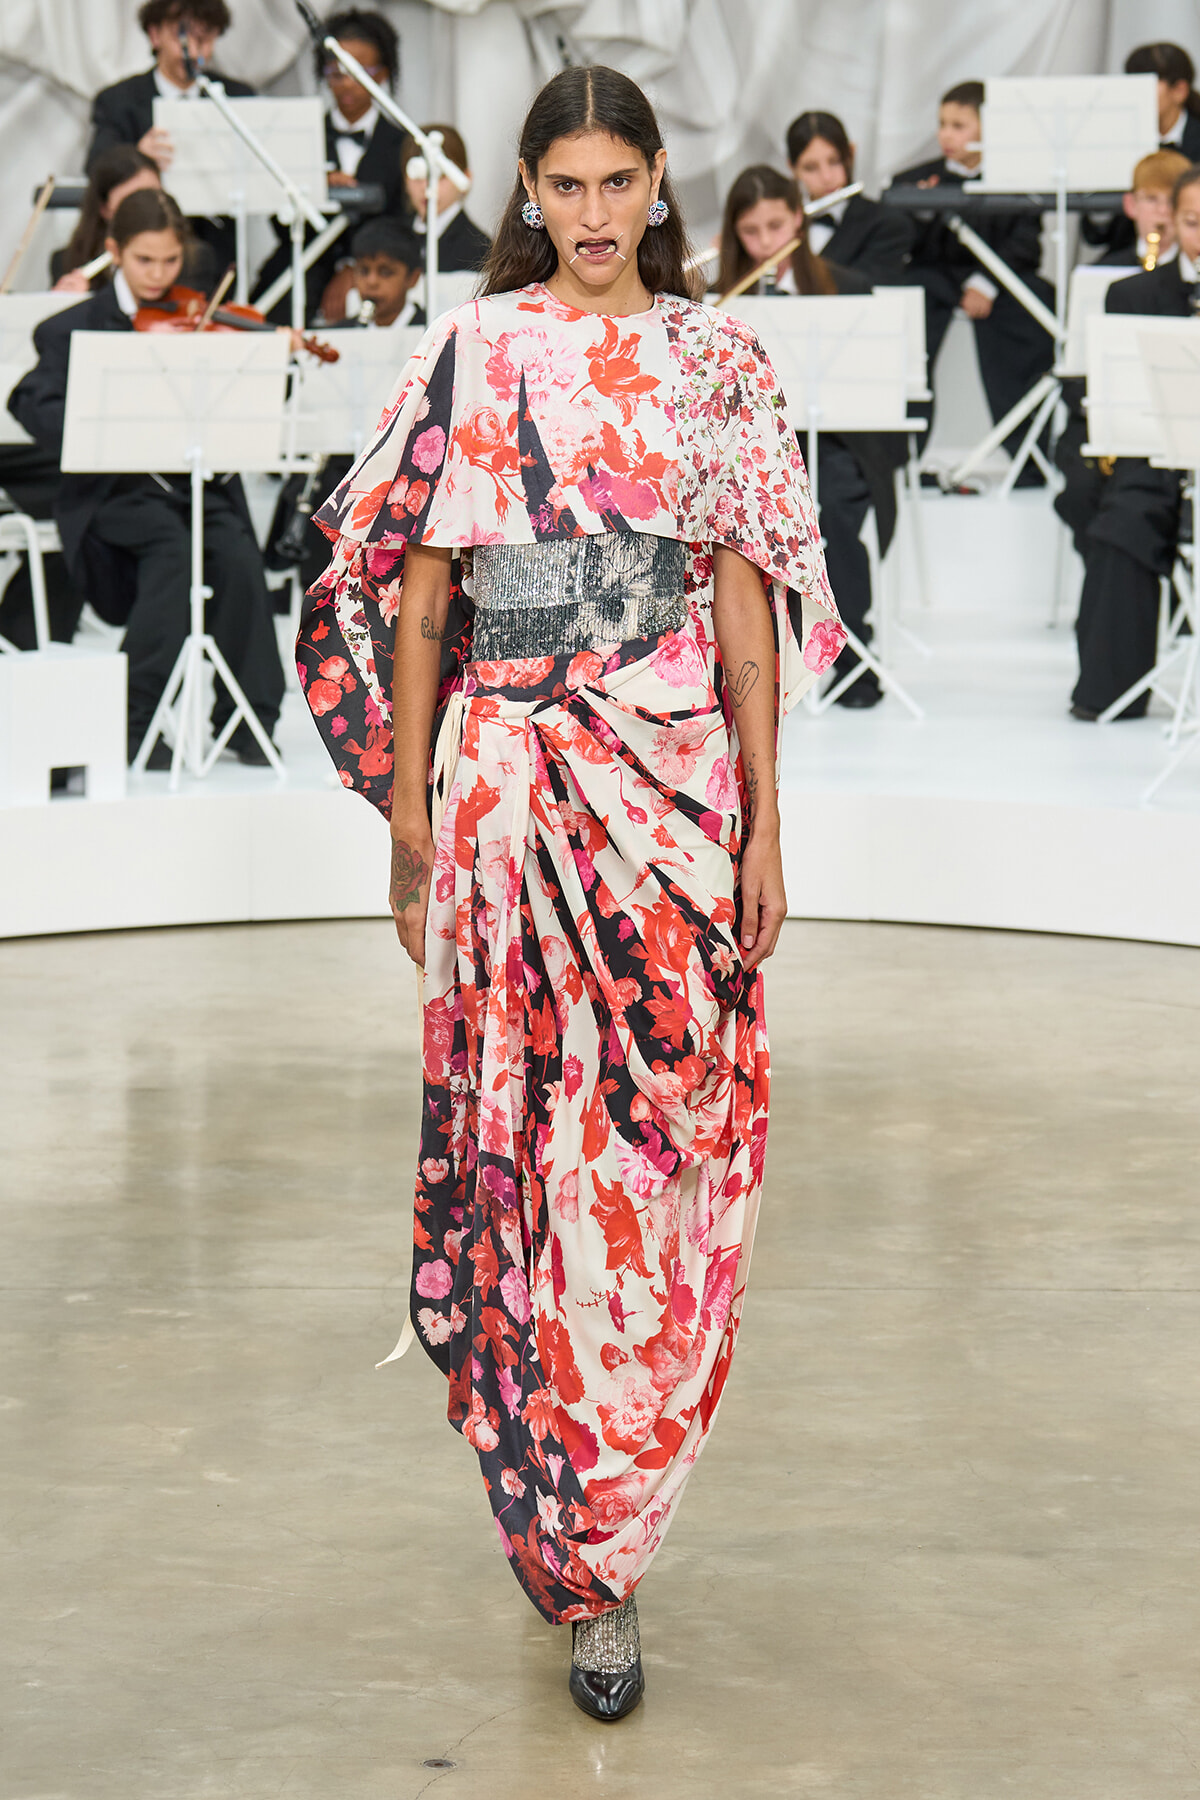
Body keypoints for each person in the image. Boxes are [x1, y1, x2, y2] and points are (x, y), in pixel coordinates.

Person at [297, 63, 844, 1719]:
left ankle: (626, 1492)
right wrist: (407, 829)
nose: (596, 215)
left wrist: (763, 823)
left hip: (671, 786)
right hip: (504, 797)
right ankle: (578, 1566)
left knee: (671, 1135)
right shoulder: (471, 352)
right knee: (520, 1155)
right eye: (569, 185)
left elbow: (744, 609)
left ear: (658, 180)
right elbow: (406, 595)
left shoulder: (716, 360)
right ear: (530, 188)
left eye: (622, 183)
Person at [8, 189, 285, 768]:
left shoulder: (196, 316)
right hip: (114, 490)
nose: (160, 275)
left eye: (169, 260)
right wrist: (99, 424)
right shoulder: (74, 326)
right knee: (173, 549)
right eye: (144, 261)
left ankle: (249, 720)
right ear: (114, 252)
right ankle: (136, 720)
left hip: (189, 482)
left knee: (235, 551)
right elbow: (28, 400)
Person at [718, 164, 903, 707]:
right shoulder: (717, 300)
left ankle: (850, 655)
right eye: (751, 232)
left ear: (798, 221)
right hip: (746, 452)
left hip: (835, 439)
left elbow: (871, 387)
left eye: (776, 227)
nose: (765, 243)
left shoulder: (847, 287)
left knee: (838, 510)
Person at [1069, 165, 1200, 722]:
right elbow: (1118, 394)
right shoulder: (1133, 292)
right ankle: (1111, 688)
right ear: (1174, 220)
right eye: (1194, 222)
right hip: (1156, 449)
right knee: (1123, 517)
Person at [887, 79, 1055, 486]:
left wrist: (987, 284)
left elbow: (1025, 244)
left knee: (1036, 302)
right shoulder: (915, 180)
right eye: (943, 124)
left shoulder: (1017, 177)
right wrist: (922, 213)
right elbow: (903, 246)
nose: (946, 135)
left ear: (987, 129)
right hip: (936, 280)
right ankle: (905, 458)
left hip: (998, 282)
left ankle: (1028, 457)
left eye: (959, 125)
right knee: (909, 310)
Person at [1054, 149, 1190, 560]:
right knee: (1083, 492)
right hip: (1106, 417)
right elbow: (1076, 371)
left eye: (1171, 201)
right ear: (1131, 205)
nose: (1162, 213)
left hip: (1175, 420)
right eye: (1151, 199)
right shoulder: (1105, 273)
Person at [257, 9, 405, 326]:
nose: (347, 84)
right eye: (337, 73)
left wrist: (357, 267)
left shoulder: (402, 143)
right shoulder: (301, 137)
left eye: (360, 72)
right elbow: (277, 219)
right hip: (301, 266)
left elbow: (401, 222)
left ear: (382, 74)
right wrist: (314, 185)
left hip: (375, 271)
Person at [86, 0, 254, 276]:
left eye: (207, 39)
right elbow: (96, 168)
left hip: (218, 245)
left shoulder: (236, 97)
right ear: (155, 35)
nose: (196, 52)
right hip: (142, 242)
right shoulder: (118, 100)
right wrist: (137, 156)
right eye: (184, 38)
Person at [50, 145, 218, 295]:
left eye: (153, 195)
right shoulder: (67, 262)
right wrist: (71, 305)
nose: (157, 275)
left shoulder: (195, 260)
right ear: (104, 208)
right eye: (144, 260)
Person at [1083, 45, 1200, 257]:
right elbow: (1096, 234)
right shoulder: (1114, 140)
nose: (1133, 95)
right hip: (1130, 255)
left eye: (1145, 85)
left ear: (1179, 90)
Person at [785, 109, 913, 285]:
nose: (826, 177)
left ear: (850, 155)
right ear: (792, 168)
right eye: (810, 167)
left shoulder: (886, 224)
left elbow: (866, 290)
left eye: (834, 161)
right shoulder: (778, 225)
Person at [400, 124, 492, 271]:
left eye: (440, 175)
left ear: (466, 176)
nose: (426, 186)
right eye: (417, 176)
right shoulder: (393, 237)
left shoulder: (480, 251)